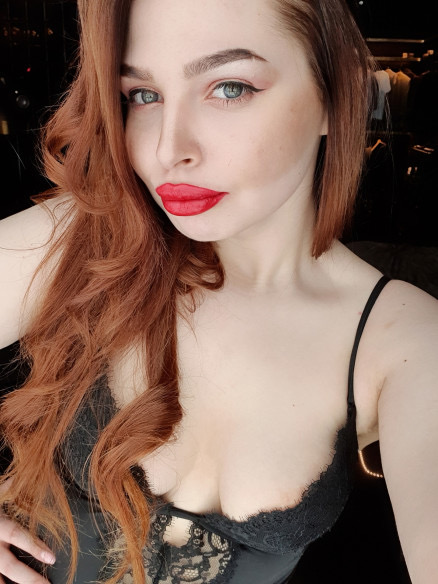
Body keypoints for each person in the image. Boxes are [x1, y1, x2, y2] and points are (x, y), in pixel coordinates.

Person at [0, 0, 437, 583]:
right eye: (144, 95)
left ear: (336, 95)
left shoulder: (402, 340)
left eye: (229, 88)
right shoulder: (84, 237)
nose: (168, 149)